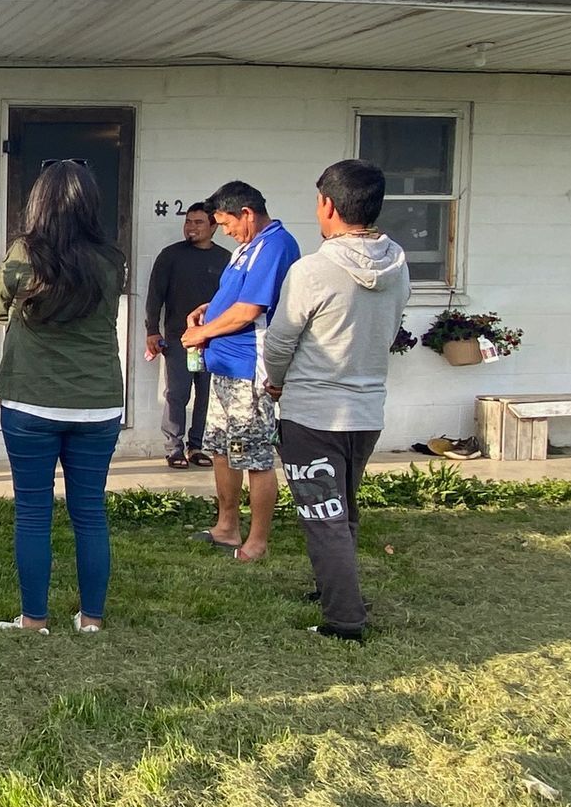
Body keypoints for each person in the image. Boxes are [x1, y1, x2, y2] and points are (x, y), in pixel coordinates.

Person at [263, 160, 410, 641]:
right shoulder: (399, 263)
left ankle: (345, 619)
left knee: (323, 516)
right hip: (367, 412)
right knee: (341, 507)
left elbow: (280, 340)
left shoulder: (313, 269)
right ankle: (334, 587)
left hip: (314, 413)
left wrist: (276, 382)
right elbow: (388, 332)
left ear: (328, 205)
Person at [0, 161, 127, 634]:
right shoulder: (112, 258)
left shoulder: (25, 253)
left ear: (38, 203)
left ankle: (34, 619)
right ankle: (91, 619)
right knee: (90, 511)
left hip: (30, 399)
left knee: (33, 511)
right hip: (98, 401)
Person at [181, 180, 301, 564]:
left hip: (251, 369)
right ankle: (226, 525)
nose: (227, 232)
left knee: (255, 455)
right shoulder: (247, 248)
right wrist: (208, 308)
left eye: (227, 224)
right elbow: (234, 296)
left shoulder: (275, 245)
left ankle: (257, 539)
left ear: (246, 213)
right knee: (220, 449)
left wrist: (203, 330)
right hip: (225, 367)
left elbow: (251, 310)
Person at [144, 202, 230, 469]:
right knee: (177, 393)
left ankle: (197, 446)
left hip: (213, 340)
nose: (191, 227)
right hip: (179, 339)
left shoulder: (225, 259)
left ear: (214, 226)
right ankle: (174, 448)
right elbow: (155, 295)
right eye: (188, 222)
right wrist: (151, 331)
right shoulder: (171, 255)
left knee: (206, 394)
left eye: (198, 222)